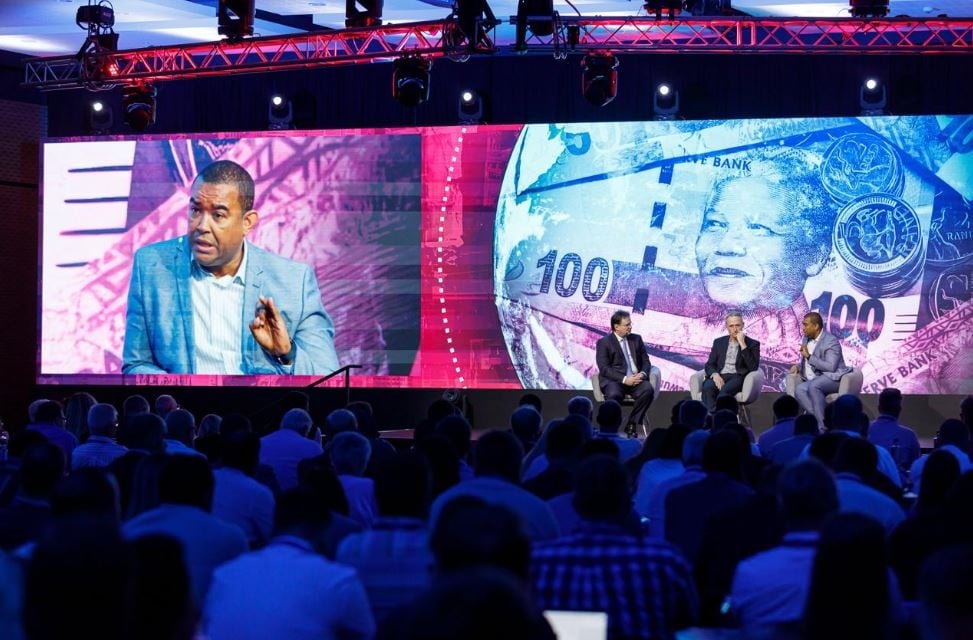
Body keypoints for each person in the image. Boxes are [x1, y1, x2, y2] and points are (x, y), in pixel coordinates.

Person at [122, 160, 339, 375]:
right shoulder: (152, 266)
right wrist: (180, 394)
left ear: (247, 222)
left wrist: (287, 352)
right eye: (196, 210)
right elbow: (136, 364)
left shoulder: (294, 281)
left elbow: (328, 375)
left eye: (218, 215)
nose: (201, 226)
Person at [595, 310, 655, 436]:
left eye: (630, 324)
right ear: (616, 327)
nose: (630, 327)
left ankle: (632, 423)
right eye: (627, 325)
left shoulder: (636, 339)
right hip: (615, 381)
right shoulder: (604, 342)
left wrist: (643, 374)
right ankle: (611, 430)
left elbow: (646, 361)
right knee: (614, 394)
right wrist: (624, 379)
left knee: (648, 389)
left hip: (636, 379)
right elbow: (604, 368)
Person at [790, 311, 852, 428]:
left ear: (816, 326)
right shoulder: (806, 339)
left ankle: (822, 427)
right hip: (814, 379)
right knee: (799, 389)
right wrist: (798, 366)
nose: (803, 328)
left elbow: (831, 367)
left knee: (814, 386)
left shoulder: (830, 341)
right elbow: (807, 362)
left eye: (806, 325)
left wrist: (808, 356)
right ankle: (821, 421)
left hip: (832, 377)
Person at [701, 312, 761, 412]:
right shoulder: (718, 342)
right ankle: (714, 417)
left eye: (737, 325)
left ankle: (721, 418)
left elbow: (753, 367)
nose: (735, 329)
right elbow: (710, 364)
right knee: (707, 387)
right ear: (727, 327)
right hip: (720, 374)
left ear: (743, 325)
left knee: (723, 394)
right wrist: (715, 375)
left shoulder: (753, 344)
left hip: (738, 376)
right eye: (731, 326)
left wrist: (742, 344)